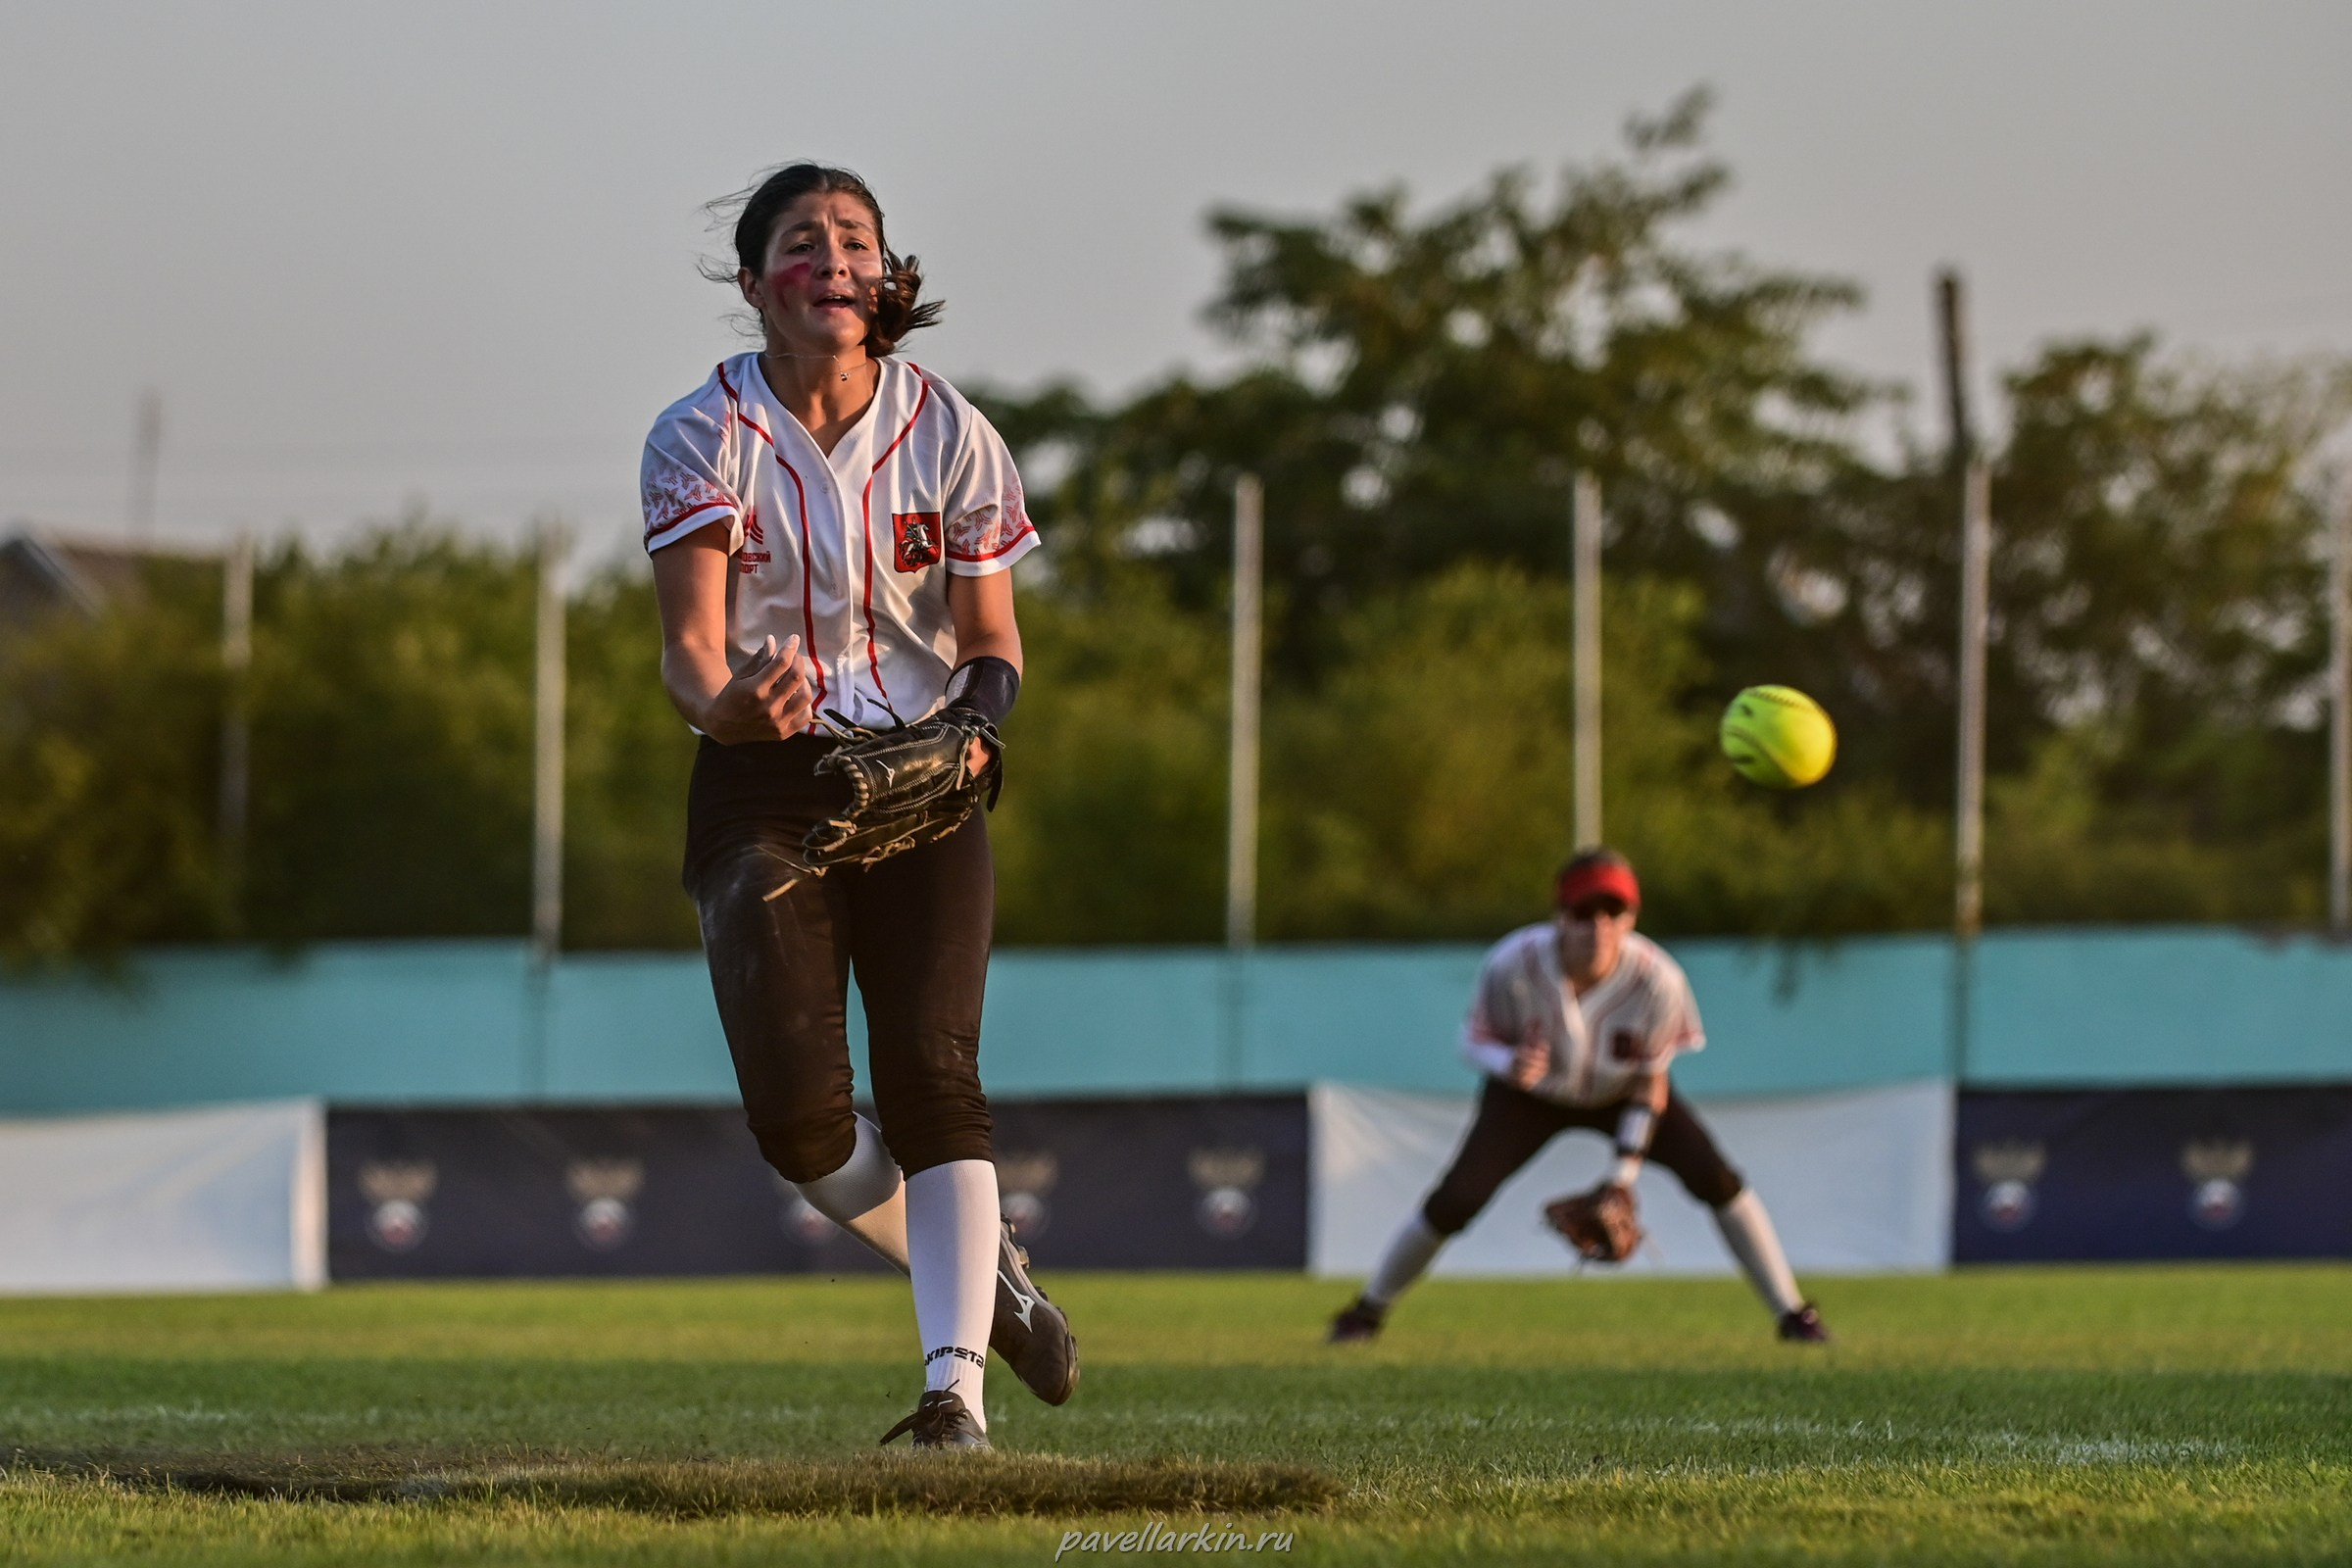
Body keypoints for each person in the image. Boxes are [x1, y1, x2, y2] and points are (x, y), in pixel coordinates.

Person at [642, 163, 1074, 1450]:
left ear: (886, 274)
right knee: (803, 1127)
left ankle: (955, 1394)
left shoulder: (953, 430)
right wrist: (725, 709)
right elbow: (691, 653)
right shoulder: (697, 433)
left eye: (856, 237)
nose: (833, 255)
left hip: (926, 767)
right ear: (753, 281)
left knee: (938, 1077)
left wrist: (979, 730)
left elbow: (991, 637)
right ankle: (988, 1277)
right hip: (768, 777)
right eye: (801, 238)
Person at [1328, 848, 1830, 1344]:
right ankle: (1366, 1312)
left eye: (1614, 912)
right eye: (1584, 912)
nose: (1599, 927)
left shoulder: (1658, 980)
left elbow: (1649, 1081)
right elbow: (1472, 1037)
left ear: (1632, 918)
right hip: (1531, 1096)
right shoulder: (1513, 963)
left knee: (1717, 1179)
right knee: (1458, 1199)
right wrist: (1509, 1063)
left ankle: (1793, 1314)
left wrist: (1622, 1177)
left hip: (1621, 1095)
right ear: (1559, 916)